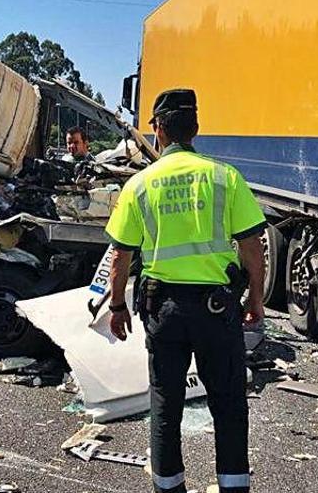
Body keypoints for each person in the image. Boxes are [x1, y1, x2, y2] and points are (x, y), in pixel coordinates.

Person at [104, 89, 266, 493]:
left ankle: (168, 488)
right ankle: (232, 487)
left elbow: (120, 255)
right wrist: (256, 299)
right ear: (196, 129)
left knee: (166, 406)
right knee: (228, 406)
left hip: (164, 311)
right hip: (217, 310)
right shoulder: (225, 178)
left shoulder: (140, 185)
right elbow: (252, 248)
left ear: (158, 130)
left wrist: (118, 305)